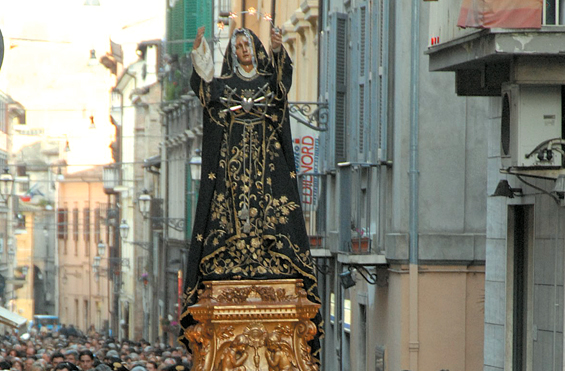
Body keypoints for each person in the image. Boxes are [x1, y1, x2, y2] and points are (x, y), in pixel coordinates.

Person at [179, 25, 323, 364]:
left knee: (269, 214)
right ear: (233, 51)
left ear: (255, 50)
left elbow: (281, 87)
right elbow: (206, 92)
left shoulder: (267, 84)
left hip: (266, 166)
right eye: (238, 45)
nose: (243, 49)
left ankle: (266, 253)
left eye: (248, 45)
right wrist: (200, 54)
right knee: (229, 211)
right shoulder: (224, 86)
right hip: (232, 167)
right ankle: (236, 254)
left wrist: (277, 51)